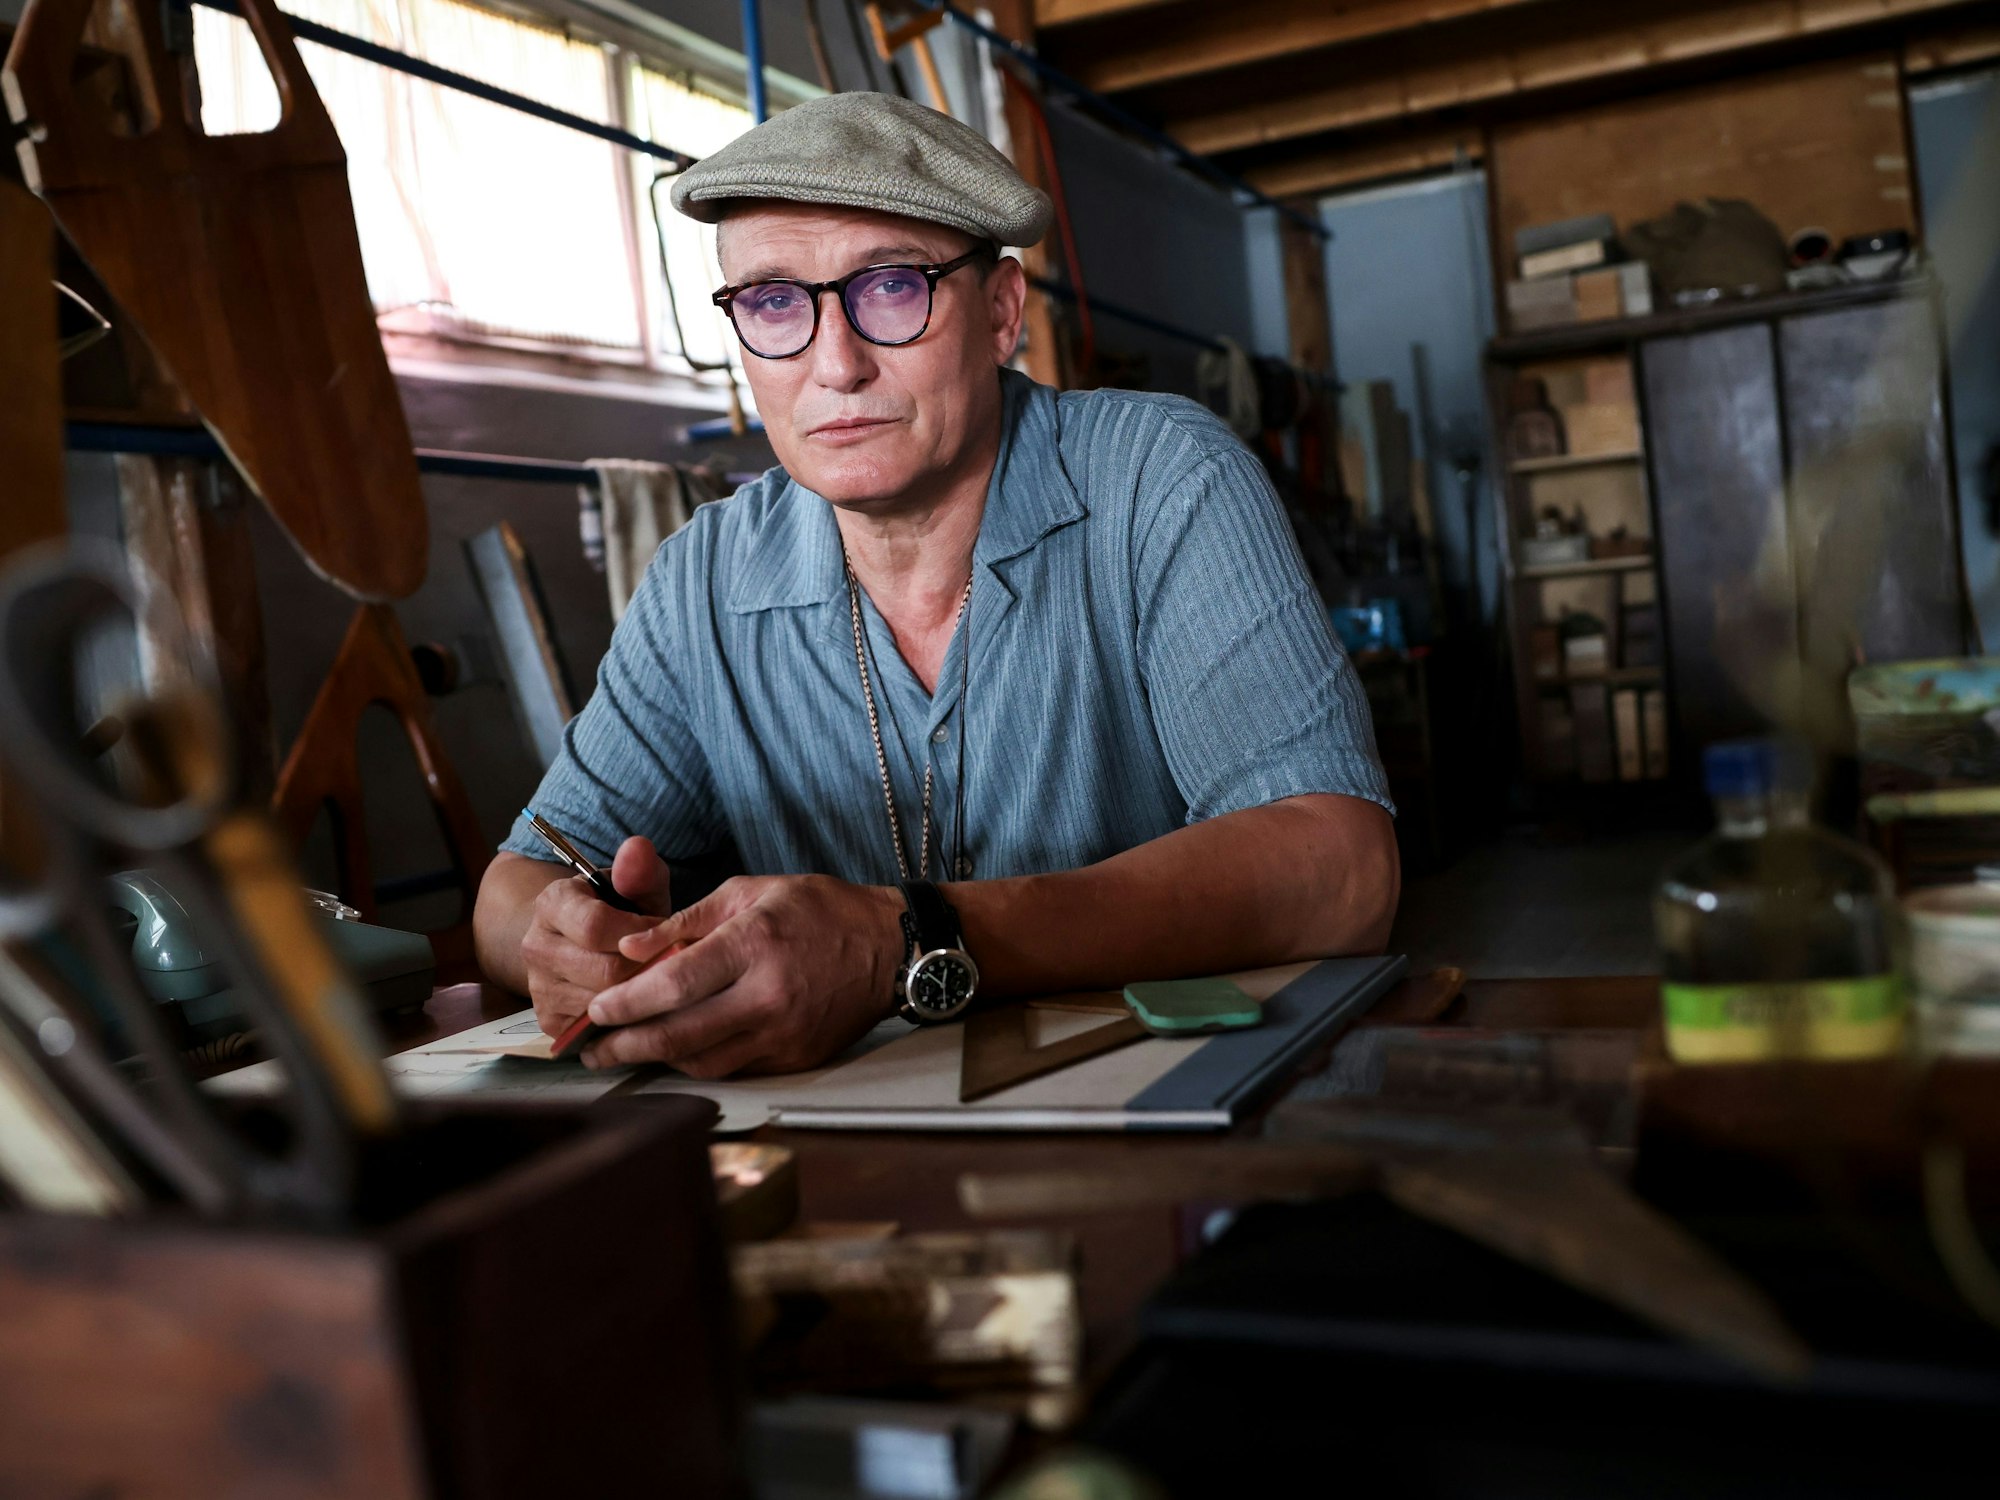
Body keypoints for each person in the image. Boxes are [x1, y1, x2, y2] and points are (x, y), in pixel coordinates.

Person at [472, 92, 1398, 1078]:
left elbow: (1340, 870)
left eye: (890, 288)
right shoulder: (701, 577)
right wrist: (578, 947)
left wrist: (905, 938)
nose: (835, 365)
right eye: (775, 302)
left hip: (1161, 1124)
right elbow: (511, 889)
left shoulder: (1155, 480)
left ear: (1000, 312)